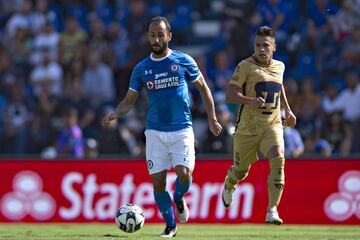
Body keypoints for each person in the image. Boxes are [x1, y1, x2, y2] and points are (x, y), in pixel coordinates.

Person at [101, 16, 222, 237]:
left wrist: (212, 118)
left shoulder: (183, 60)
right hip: (155, 131)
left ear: (169, 36)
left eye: (160, 34)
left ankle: (178, 198)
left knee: (184, 175)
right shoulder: (142, 68)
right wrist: (116, 113)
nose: (156, 39)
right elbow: (129, 101)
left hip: (182, 129)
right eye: (152, 35)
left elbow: (203, 88)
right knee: (158, 183)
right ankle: (170, 226)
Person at [221, 26, 296, 225]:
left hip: (272, 125)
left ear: (274, 47)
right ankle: (230, 182)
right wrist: (250, 100)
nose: (261, 49)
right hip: (246, 130)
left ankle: (272, 210)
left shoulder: (280, 66)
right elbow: (230, 93)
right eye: (257, 45)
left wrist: (287, 109)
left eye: (265, 46)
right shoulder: (245, 66)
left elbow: (279, 86)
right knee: (241, 172)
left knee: (279, 158)